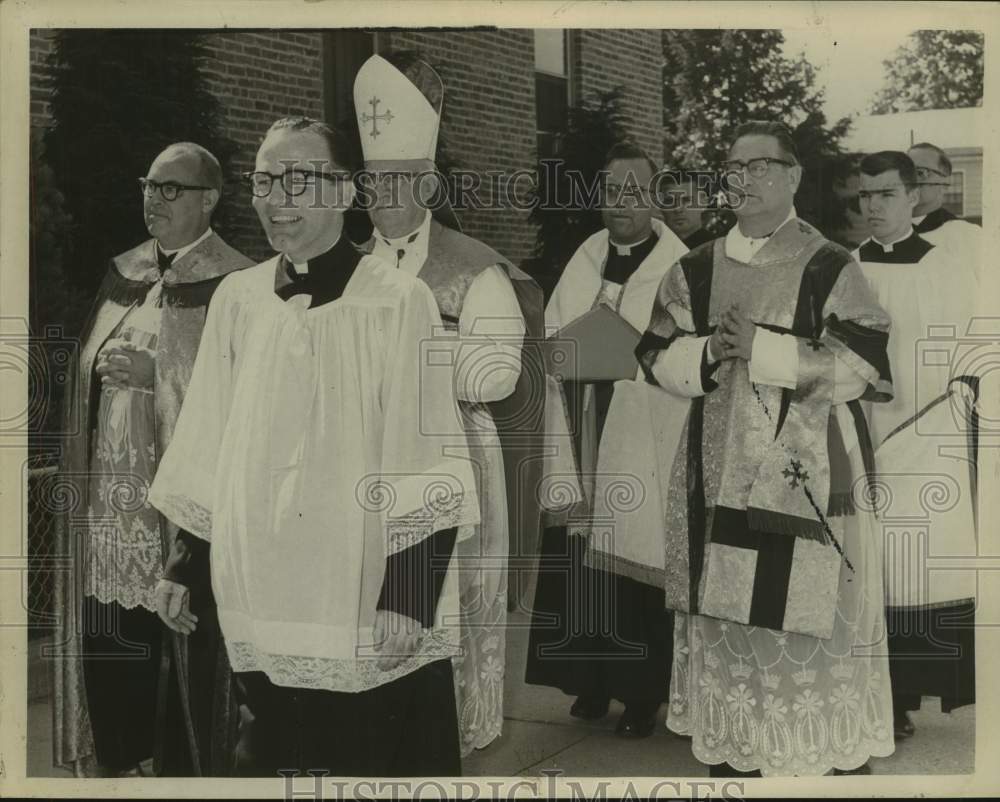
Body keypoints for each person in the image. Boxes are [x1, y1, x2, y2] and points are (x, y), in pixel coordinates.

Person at [148, 116, 479, 777]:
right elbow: (207, 434)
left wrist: (409, 594)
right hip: (261, 582)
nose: (277, 199)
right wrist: (185, 565)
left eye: (299, 180)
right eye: (266, 181)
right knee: (269, 756)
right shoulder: (239, 299)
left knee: (367, 756)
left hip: (356, 585)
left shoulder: (399, 301)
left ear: (346, 191)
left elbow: (426, 447)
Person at [636, 121, 895, 776]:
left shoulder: (829, 264)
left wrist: (767, 350)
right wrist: (709, 351)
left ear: (793, 177)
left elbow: (860, 367)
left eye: (758, 166)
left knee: (811, 615)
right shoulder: (693, 268)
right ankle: (741, 744)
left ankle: (815, 742)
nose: (741, 179)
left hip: (808, 475)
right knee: (727, 610)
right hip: (714, 462)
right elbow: (656, 356)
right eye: (731, 167)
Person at [353, 52, 544, 757]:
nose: (380, 193)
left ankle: (451, 740)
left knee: (452, 598)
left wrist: (400, 366)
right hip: (366, 457)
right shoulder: (348, 267)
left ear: (428, 183)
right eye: (371, 180)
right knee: (378, 595)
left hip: (455, 451)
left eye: (396, 179)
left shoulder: (474, 267)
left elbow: (495, 370)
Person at [51, 142, 252, 777]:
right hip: (112, 502)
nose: (153, 200)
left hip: (175, 506)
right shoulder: (126, 272)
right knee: (112, 623)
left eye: (171, 189)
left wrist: (157, 371)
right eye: (148, 185)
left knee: (171, 636)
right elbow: (84, 370)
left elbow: (242, 396)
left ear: (209, 200)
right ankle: (118, 753)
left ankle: (173, 766)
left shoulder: (238, 283)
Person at [527, 141, 689, 738]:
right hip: (580, 421)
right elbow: (554, 330)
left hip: (642, 426)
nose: (619, 203)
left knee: (634, 557)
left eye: (633, 191)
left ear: (654, 196)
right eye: (609, 191)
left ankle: (642, 694)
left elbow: (677, 349)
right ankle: (590, 682)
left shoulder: (678, 264)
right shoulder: (587, 254)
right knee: (579, 557)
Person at [853, 150, 979, 742]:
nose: (872, 206)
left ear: (912, 197)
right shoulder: (845, 267)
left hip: (925, 435)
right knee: (866, 563)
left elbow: (974, 354)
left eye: (884, 194)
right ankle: (870, 691)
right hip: (860, 434)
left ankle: (904, 694)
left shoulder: (947, 267)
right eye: (864, 196)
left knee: (912, 566)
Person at [907, 142, 983, 278]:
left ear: (946, 182)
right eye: (906, 172)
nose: (911, 180)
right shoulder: (887, 236)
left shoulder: (970, 237)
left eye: (920, 173)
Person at [663, 171, 715, 249]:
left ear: (703, 202)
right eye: (669, 201)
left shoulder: (718, 249)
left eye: (686, 200)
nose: (678, 208)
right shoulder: (655, 249)